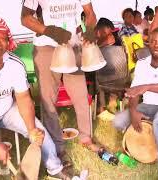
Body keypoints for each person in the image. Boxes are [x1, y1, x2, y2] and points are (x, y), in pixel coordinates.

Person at [0, 16, 70, 180]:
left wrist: (31, 130)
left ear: (8, 41)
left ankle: (55, 168)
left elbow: (23, 99)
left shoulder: (15, 63)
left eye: (2, 38)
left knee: (39, 132)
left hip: (7, 110)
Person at [21, 0, 100, 160]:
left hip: (73, 46)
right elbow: (25, 18)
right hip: (46, 47)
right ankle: (57, 146)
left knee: (81, 95)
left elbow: (90, 13)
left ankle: (85, 138)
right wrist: (48, 30)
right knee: (48, 99)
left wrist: (90, 29)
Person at [113, 27, 158, 180]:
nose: (156, 44)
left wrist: (146, 87)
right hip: (148, 106)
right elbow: (134, 91)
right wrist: (133, 111)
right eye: (152, 41)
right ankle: (140, 147)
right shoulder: (142, 63)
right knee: (118, 121)